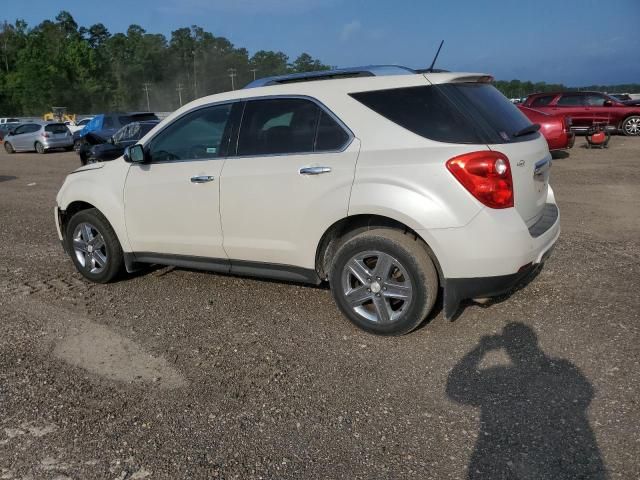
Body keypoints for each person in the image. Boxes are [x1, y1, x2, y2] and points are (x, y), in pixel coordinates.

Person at [447, 322, 606, 479]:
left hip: (504, 461)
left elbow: (455, 388)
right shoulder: (560, 368)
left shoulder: (498, 376)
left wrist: (481, 349)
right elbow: (585, 393)